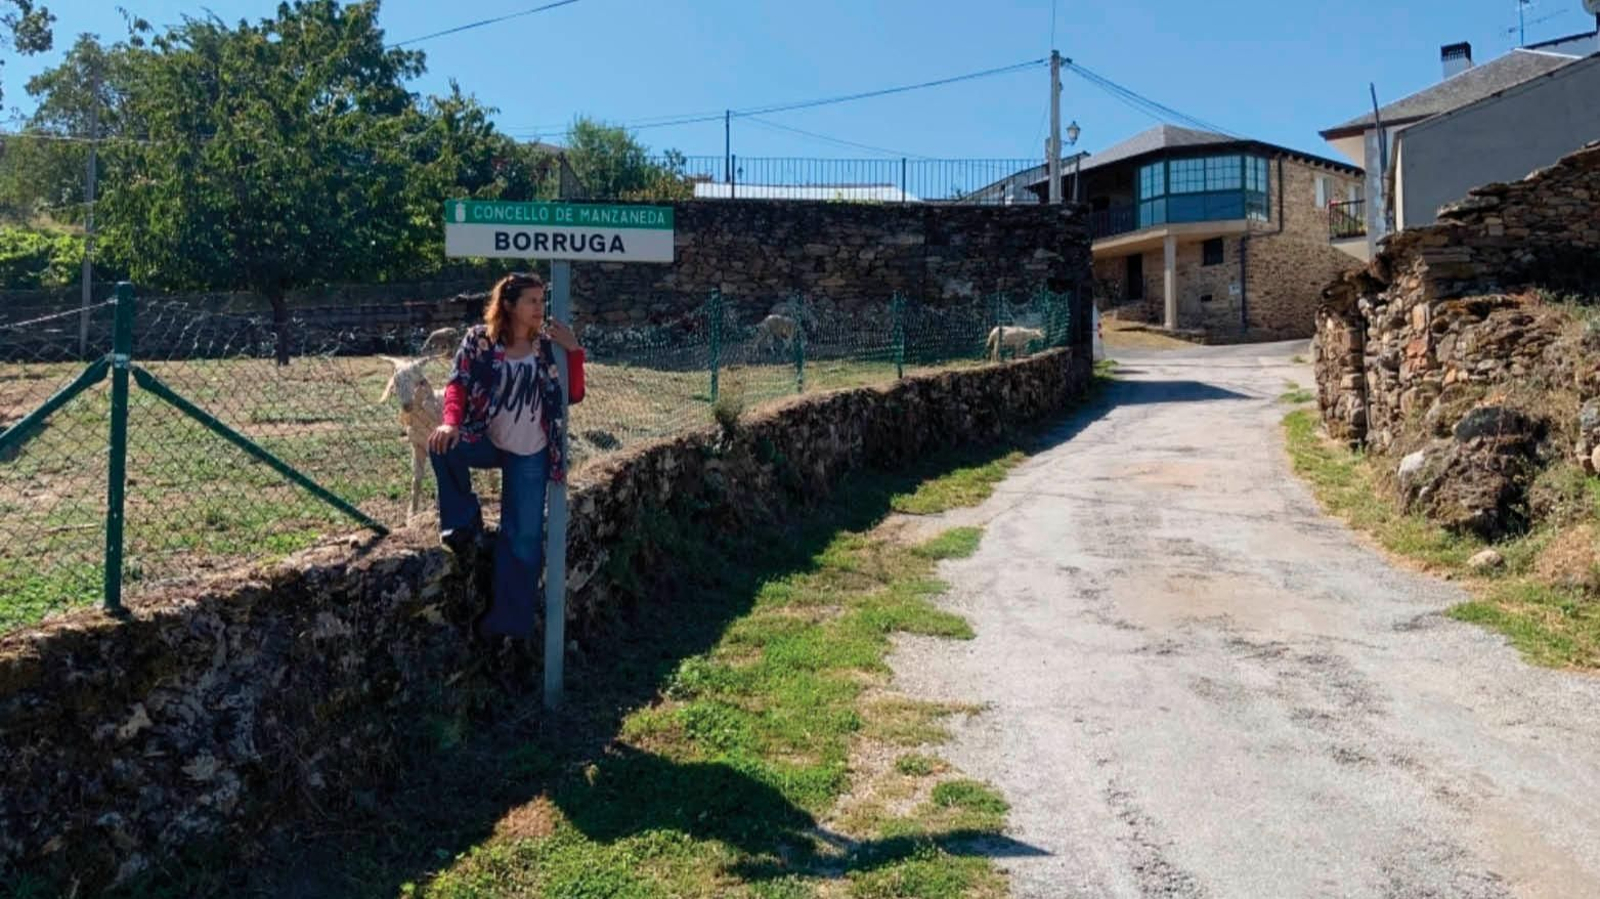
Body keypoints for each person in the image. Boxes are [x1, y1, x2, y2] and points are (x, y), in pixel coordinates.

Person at [427, 272, 586, 639]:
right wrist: (451, 423)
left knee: (523, 539)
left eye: (541, 300)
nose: (539, 308)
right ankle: (463, 524)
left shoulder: (548, 346)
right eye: (531, 300)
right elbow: (457, 385)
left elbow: (573, 394)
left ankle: (509, 623)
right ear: (509, 305)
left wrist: (574, 351)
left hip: (531, 450)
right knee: (442, 445)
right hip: (486, 437)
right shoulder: (479, 341)